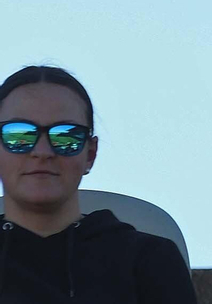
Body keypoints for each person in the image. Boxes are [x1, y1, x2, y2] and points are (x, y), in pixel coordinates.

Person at [0, 66, 197, 304]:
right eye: (18, 135)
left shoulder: (150, 260)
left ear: (90, 154)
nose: (42, 152)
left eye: (67, 137)